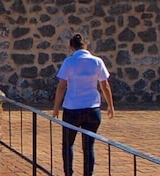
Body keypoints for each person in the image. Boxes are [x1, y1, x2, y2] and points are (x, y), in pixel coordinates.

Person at [49, 33, 114, 176]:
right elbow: (105, 85)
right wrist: (110, 105)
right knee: (89, 147)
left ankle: (69, 173)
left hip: (72, 108)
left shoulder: (69, 62)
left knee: (68, 144)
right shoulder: (97, 61)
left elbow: (62, 86)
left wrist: (55, 108)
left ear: (71, 47)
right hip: (92, 108)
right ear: (86, 45)